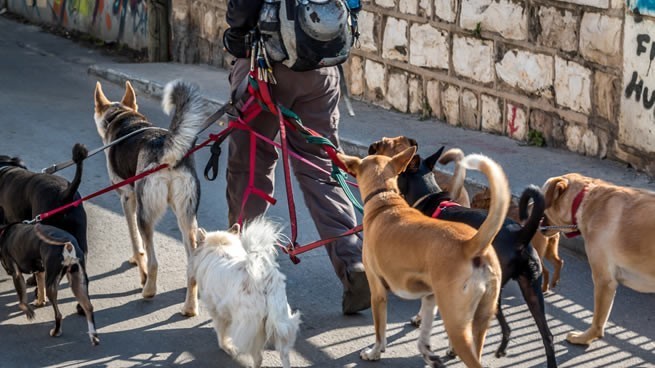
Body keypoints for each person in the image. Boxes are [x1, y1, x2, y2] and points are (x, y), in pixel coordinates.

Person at [222, 0, 371, 315]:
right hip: (322, 66)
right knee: (322, 168)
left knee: (250, 163)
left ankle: (247, 268)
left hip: (264, 69)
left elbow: (241, 12)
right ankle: (352, 262)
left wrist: (235, 36)